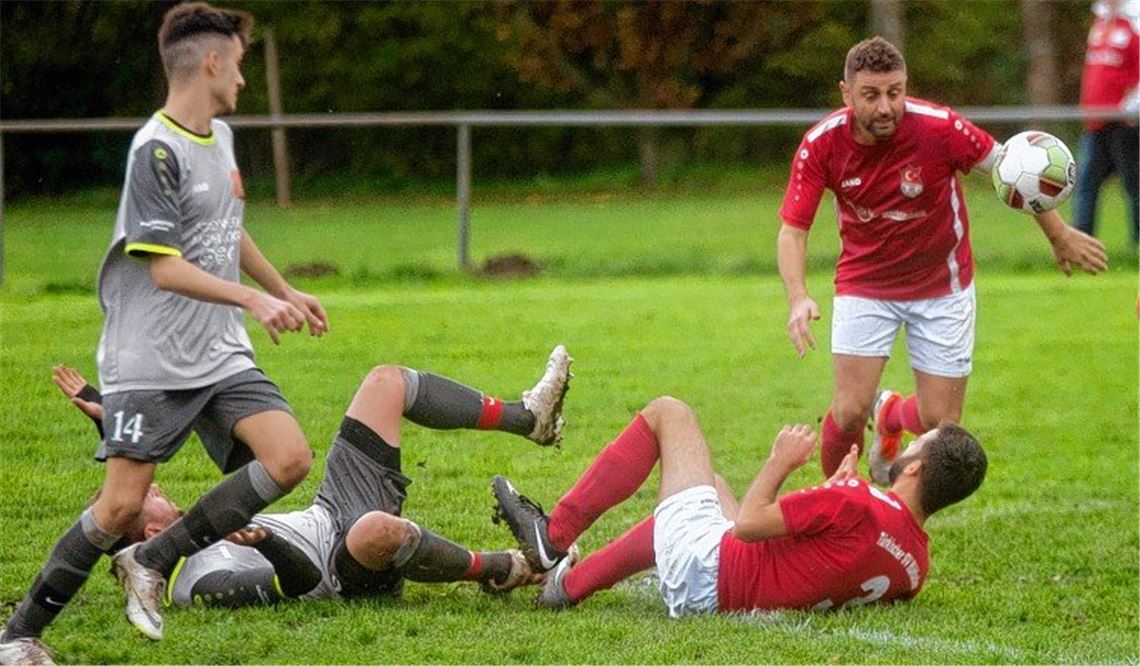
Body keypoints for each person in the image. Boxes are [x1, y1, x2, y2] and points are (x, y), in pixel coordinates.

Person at [0, 4, 329, 662]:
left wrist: (283, 289)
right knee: (119, 506)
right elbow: (165, 268)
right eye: (236, 64)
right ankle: (19, 635)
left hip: (220, 352)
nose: (242, 78)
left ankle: (149, 561)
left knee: (288, 456)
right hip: (150, 361)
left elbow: (226, 232)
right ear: (210, 62)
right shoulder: (155, 150)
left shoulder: (222, 138)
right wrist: (253, 301)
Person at [775, 37, 1108, 484]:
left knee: (941, 422)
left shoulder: (941, 128)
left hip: (943, 286)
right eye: (871, 95)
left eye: (895, 92)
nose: (886, 106)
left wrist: (1059, 233)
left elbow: (1011, 171)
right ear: (846, 93)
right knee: (850, 408)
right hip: (865, 282)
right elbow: (793, 230)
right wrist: (798, 297)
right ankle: (838, 499)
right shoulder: (822, 144)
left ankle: (892, 415)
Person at [34, 345, 569, 622]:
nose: (154, 488)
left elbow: (183, 457)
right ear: (146, 531)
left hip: (333, 505)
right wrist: (267, 541)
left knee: (384, 382)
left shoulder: (194, 528)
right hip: (342, 567)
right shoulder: (195, 584)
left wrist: (110, 417)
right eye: (147, 498)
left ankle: (529, 418)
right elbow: (297, 582)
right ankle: (503, 569)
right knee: (377, 531)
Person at [489, 396, 986, 615]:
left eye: (918, 444)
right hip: (738, 591)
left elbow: (750, 525)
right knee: (712, 487)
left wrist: (781, 462)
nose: (910, 446)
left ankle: (553, 542)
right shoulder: (917, 566)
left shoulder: (857, 501)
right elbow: (837, 555)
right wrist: (837, 491)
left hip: (713, 573)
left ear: (915, 468)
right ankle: (567, 588)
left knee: (670, 414)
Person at [1073, 0, 1139, 242]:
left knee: (1133, 183)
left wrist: (1129, 110)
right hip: (1094, 122)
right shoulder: (1099, 26)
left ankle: (1137, 243)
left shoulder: (1132, 27)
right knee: (1086, 182)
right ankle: (1081, 240)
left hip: (1121, 123)